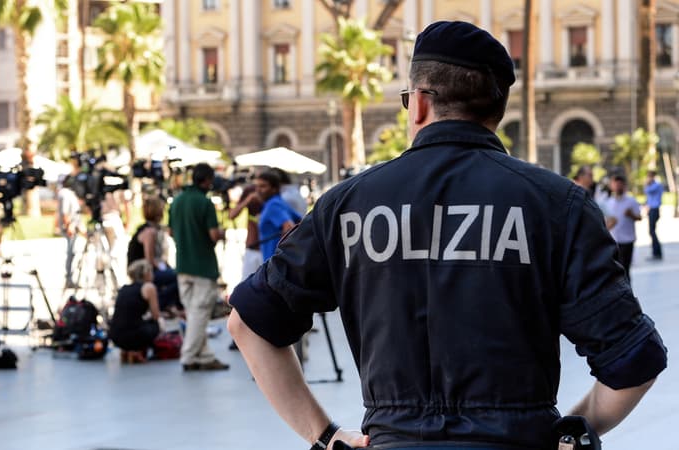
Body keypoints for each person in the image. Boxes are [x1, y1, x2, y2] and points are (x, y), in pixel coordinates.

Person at [227, 21, 666, 450]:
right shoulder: (556, 205)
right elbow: (634, 360)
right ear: (496, 111)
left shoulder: (347, 204)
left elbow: (247, 322)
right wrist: (569, 431)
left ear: (418, 103)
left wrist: (324, 436)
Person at [168, 163, 229, 371]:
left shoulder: (177, 201)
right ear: (207, 180)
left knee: (193, 312)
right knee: (199, 313)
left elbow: (170, 231)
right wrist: (221, 234)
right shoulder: (205, 203)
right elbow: (213, 234)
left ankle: (204, 355)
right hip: (202, 265)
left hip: (183, 263)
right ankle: (189, 355)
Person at [127, 196, 182, 316]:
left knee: (174, 273)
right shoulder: (149, 232)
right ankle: (160, 304)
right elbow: (149, 261)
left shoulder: (151, 229)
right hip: (141, 271)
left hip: (146, 268)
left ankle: (169, 305)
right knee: (178, 277)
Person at [109, 260, 165, 363]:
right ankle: (137, 350)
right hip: (134, 336)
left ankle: (126, 350)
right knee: (158, 324)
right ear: (146, 274)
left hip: (115, 335)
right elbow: (156, 315)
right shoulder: (149, 287)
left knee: (132, 323)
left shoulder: (124, 288)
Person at [255, 170, 301, 262]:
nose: (258, 190)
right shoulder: (278, 202)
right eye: (257, 186)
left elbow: (289, 228)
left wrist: (280, 256)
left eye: (263, 186)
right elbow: (300, 221)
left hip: (275, 265)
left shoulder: (273, 205)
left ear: (274, 188)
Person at [605, 173, 642, 278]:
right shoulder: (608, 203)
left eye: (620, 185)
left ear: (624, 186)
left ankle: (627, 292)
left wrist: (631, 215)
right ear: (612, 186)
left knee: (625, 269)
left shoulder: (631, 201)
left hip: (627, 240)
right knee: (614, 270)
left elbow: (639, 217)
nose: (618, 187)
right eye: (616, 185)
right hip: (613, 240)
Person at [227, 182, 263, 281]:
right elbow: (232, 215)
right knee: (247, 282)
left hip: (267, 249)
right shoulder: (250, 191)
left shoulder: (274, 198)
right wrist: (248, 199)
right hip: (252, 247)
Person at [57, 173, 82, 288]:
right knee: (71, 253)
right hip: (70, 227)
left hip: (74, 225)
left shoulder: (70, 193)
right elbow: (65, 212)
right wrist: (68, 226)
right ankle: (69, 278)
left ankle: (71, 278)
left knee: (73, 252)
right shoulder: (65, 193)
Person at [572, 165, 617, 230]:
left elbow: (613, 220)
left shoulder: (595, 197)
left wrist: (600, 234)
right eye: (590, 175)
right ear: (580, 176)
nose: (592, 178)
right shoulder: (571, 193)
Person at [644, 170, 664, 261]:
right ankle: (655, 252)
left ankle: (657, 252)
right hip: (651, 209)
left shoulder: (656, 185)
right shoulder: (653, 185)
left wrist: (647, 183)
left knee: (652, 231)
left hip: (655, 209)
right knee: (652, 231)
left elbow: (647, 190)